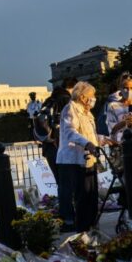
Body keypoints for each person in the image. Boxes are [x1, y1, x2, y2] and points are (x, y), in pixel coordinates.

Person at [56, 81, 113, 232]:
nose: (93, 98)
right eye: (91, 96)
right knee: (82, 197)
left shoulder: (87, 112)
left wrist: (101, 140)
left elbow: (89, 133)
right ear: (82, 97)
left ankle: (92, 226)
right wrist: (87, 143)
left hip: (88, 159)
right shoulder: (71, 109)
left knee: (91, 196)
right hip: (74, 160)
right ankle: (83, 229)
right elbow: (70, 132)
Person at [45, 78, 76, 226]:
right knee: (68, 183)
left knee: (61, 183)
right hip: (61, 147)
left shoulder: (48, 100)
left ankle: (64, 215)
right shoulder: (66, 100)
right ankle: (69, 217)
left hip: (49, 147)